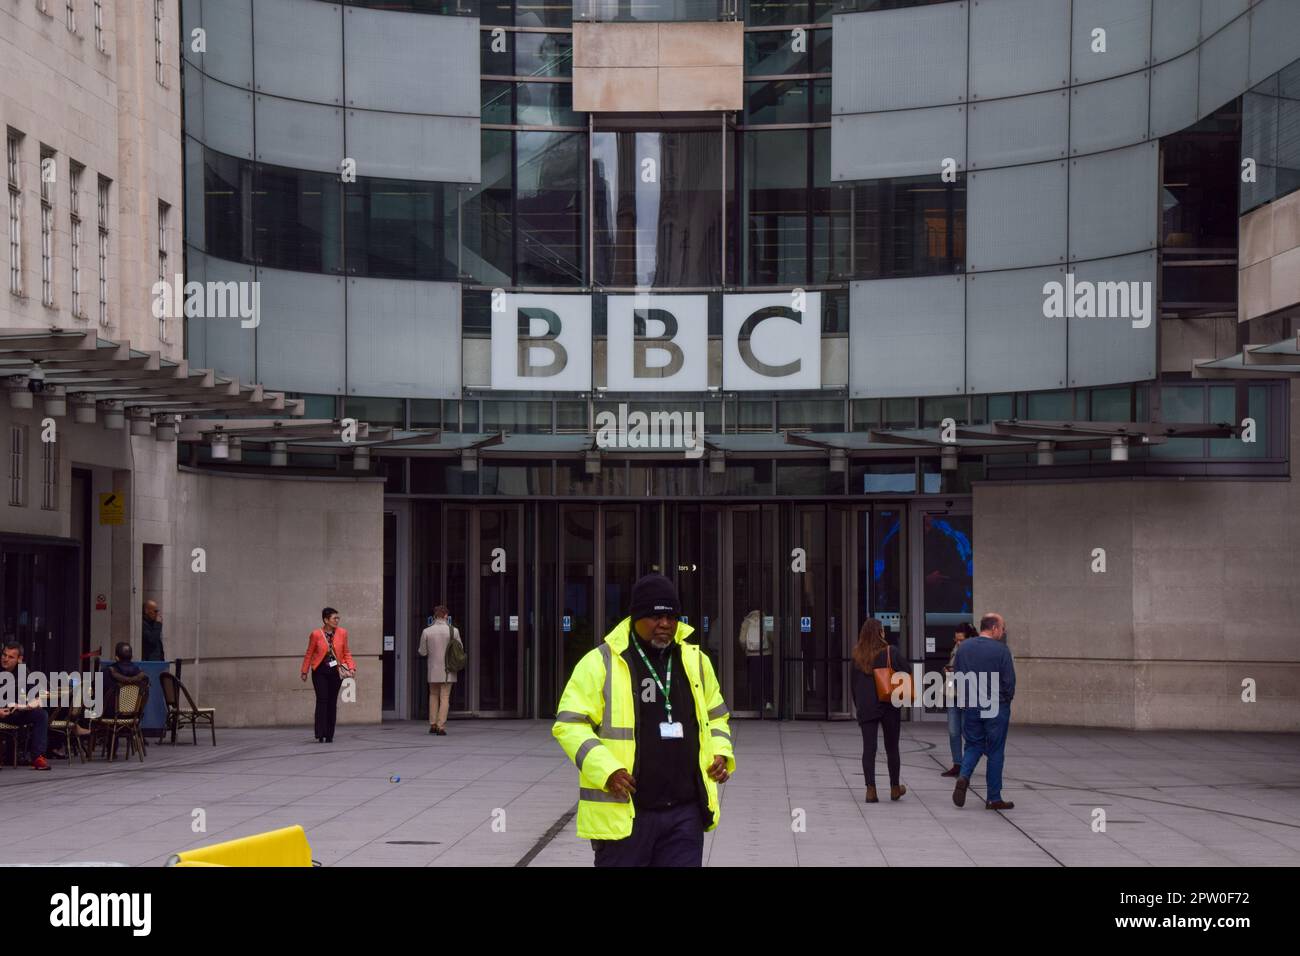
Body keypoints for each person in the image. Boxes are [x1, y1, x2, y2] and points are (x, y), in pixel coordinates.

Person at [552, 573, 735, 867]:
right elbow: (569, 723)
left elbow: (717, 717)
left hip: (684, 814)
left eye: (671, 617)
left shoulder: (696, 661)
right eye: (654, 616)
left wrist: (721, 754)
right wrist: (607, 771)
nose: (664, 624)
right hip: (627, 812)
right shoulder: (601, 662)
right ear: (635, 617)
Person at [952, 612, 1016, 811]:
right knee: (996, 751)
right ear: (994, 628)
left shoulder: (964, 648)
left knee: (972, 745)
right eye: (1002, 628)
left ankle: (964, 776)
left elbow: (958, 676)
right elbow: (1009, 682)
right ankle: (993, 797)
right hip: (996, 706)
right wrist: (1006, 699)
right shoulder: (1001, 651)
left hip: (971, 705)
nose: (1003, 632)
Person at [849, 619, 910, 803]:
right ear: (881, 633)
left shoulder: (857, 655)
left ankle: (871, 790)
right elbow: (906, 671)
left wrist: (859, 705)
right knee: (892, 747)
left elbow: (853, 684)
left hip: (866, 705)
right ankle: (894, 788)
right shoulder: (891, 651)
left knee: (869, 748)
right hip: (889, 703)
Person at [300, 607, 356, 744]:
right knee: (322, 700)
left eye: (338, 618)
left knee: (332, 702)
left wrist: (351, 667)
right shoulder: (316, 634)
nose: (337, 621)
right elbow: (309, 653)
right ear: (326, 620)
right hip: (319, 671)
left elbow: (346, 652)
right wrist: (304, 670)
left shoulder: (342, 633)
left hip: (335, 672)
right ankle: (320, 733)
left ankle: (330, 734)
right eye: (334, 618)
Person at [0, 642, 51, 770]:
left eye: (11, 657)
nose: (5, 659)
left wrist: (23, 706)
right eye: (4, 655)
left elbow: (39, 697)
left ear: (19, 659)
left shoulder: (23, 672)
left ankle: (38, 757)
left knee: (41, 715)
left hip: (14, 712)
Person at [417, 605, 462, 736]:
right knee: (445, 697)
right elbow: (460, 650)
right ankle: (441, 726)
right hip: (449, 669)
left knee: (433, 695)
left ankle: (433, 724)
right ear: (446, 616)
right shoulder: (454, 631)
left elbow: (422, 652)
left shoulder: (427, 631)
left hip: (433, 669)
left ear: (435, 616)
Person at [941, 621, 975, 777]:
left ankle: (967, 764)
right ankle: (957, 763)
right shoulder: (956, 649)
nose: (958, 642)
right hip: (953, 693)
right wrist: (948, 669)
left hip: (966, 694)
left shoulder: (974, 651)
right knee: (953, 731)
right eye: (956, 640)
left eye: (961, 640)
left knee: (967, 731)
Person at [737, 608, 771, 712]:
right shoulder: (767, 620)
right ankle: (768, 701)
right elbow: (772, 637)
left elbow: (742, 640)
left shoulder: (746, 622)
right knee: (766, 678)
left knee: (755, 679)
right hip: (766, 653)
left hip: (751, 655)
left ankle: (756, 703)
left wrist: (746, 650)